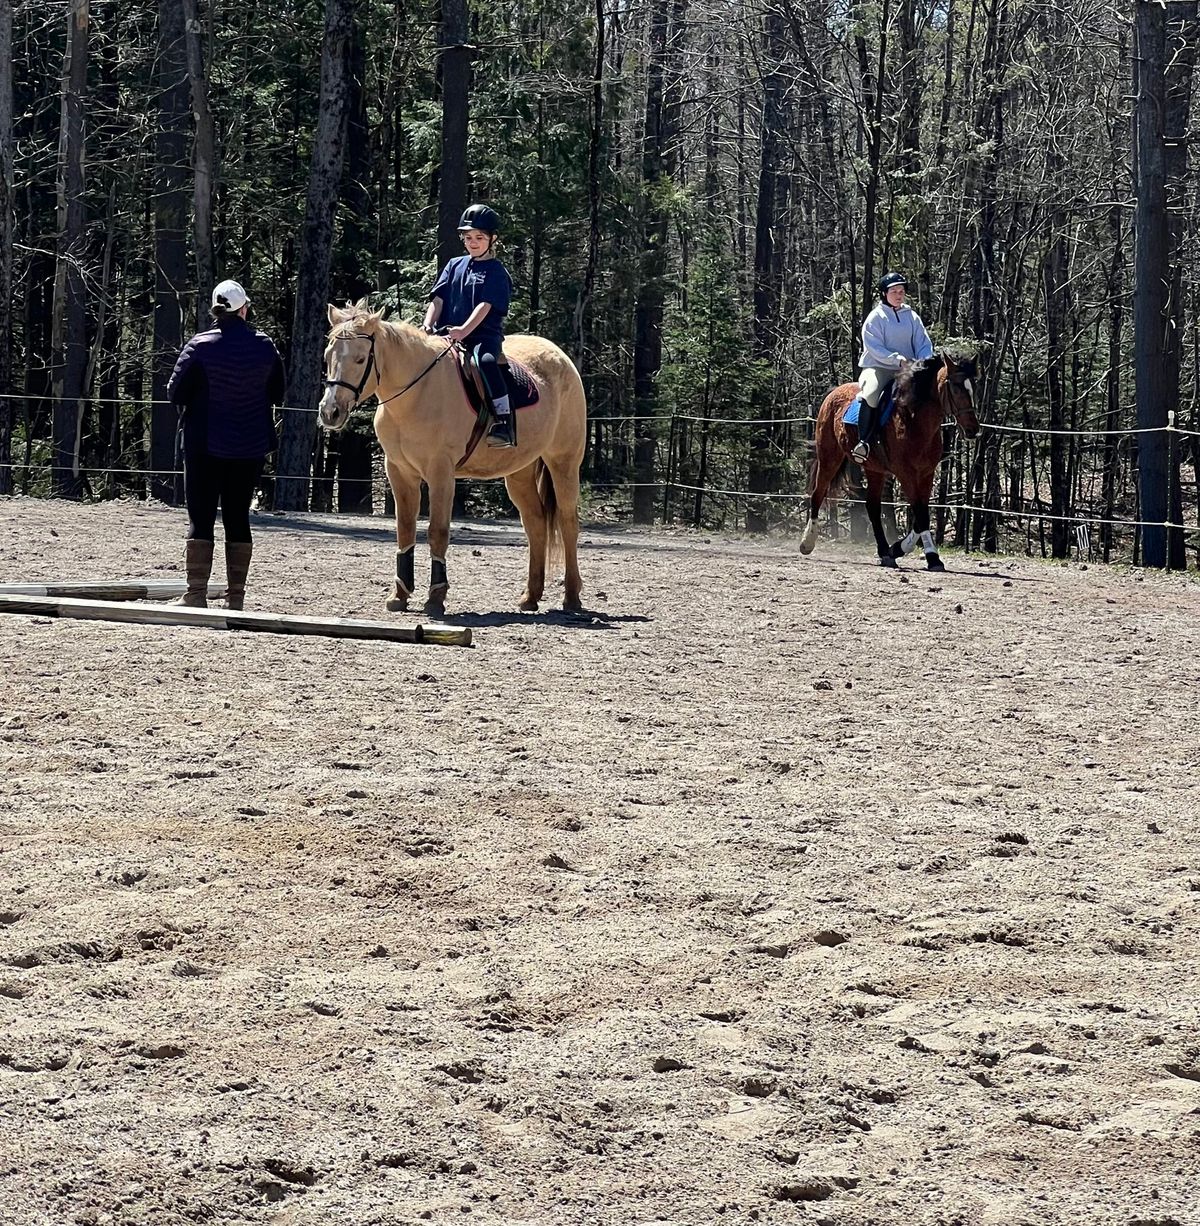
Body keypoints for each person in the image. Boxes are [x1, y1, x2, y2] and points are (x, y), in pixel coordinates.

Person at [167, 278, 285, 609]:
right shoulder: (265, 346)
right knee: (238, 518)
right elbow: (278, 392)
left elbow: (174, 392)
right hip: (249, 446)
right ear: (243, 309)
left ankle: (195, 594)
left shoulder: (199, 345)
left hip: (203, 444)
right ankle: (236, 598)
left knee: (200, 518)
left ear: (217, 311)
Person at [422, 204, 516, 447]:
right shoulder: (454, 265)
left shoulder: (496, 271)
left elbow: (485, 306)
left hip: (482, 338)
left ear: (492, 239)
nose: (473, 242)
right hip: (447, 337)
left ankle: (504, 422)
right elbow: (438, 299)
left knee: (483, 363)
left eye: (479, 237)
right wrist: (428, 323)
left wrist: (464, 330)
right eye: (468, 237)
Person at [853, 272, 934, 463]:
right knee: (872, 393)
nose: (899, 295)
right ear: (884, 294)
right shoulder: (875, 317)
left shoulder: (912, 317)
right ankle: (863, 442)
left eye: (901, 291)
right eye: (894, 291)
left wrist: (923, 361)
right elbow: (873, 347)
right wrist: (897, 359)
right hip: (878, 367)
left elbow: (923, 343)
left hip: (909, 369)